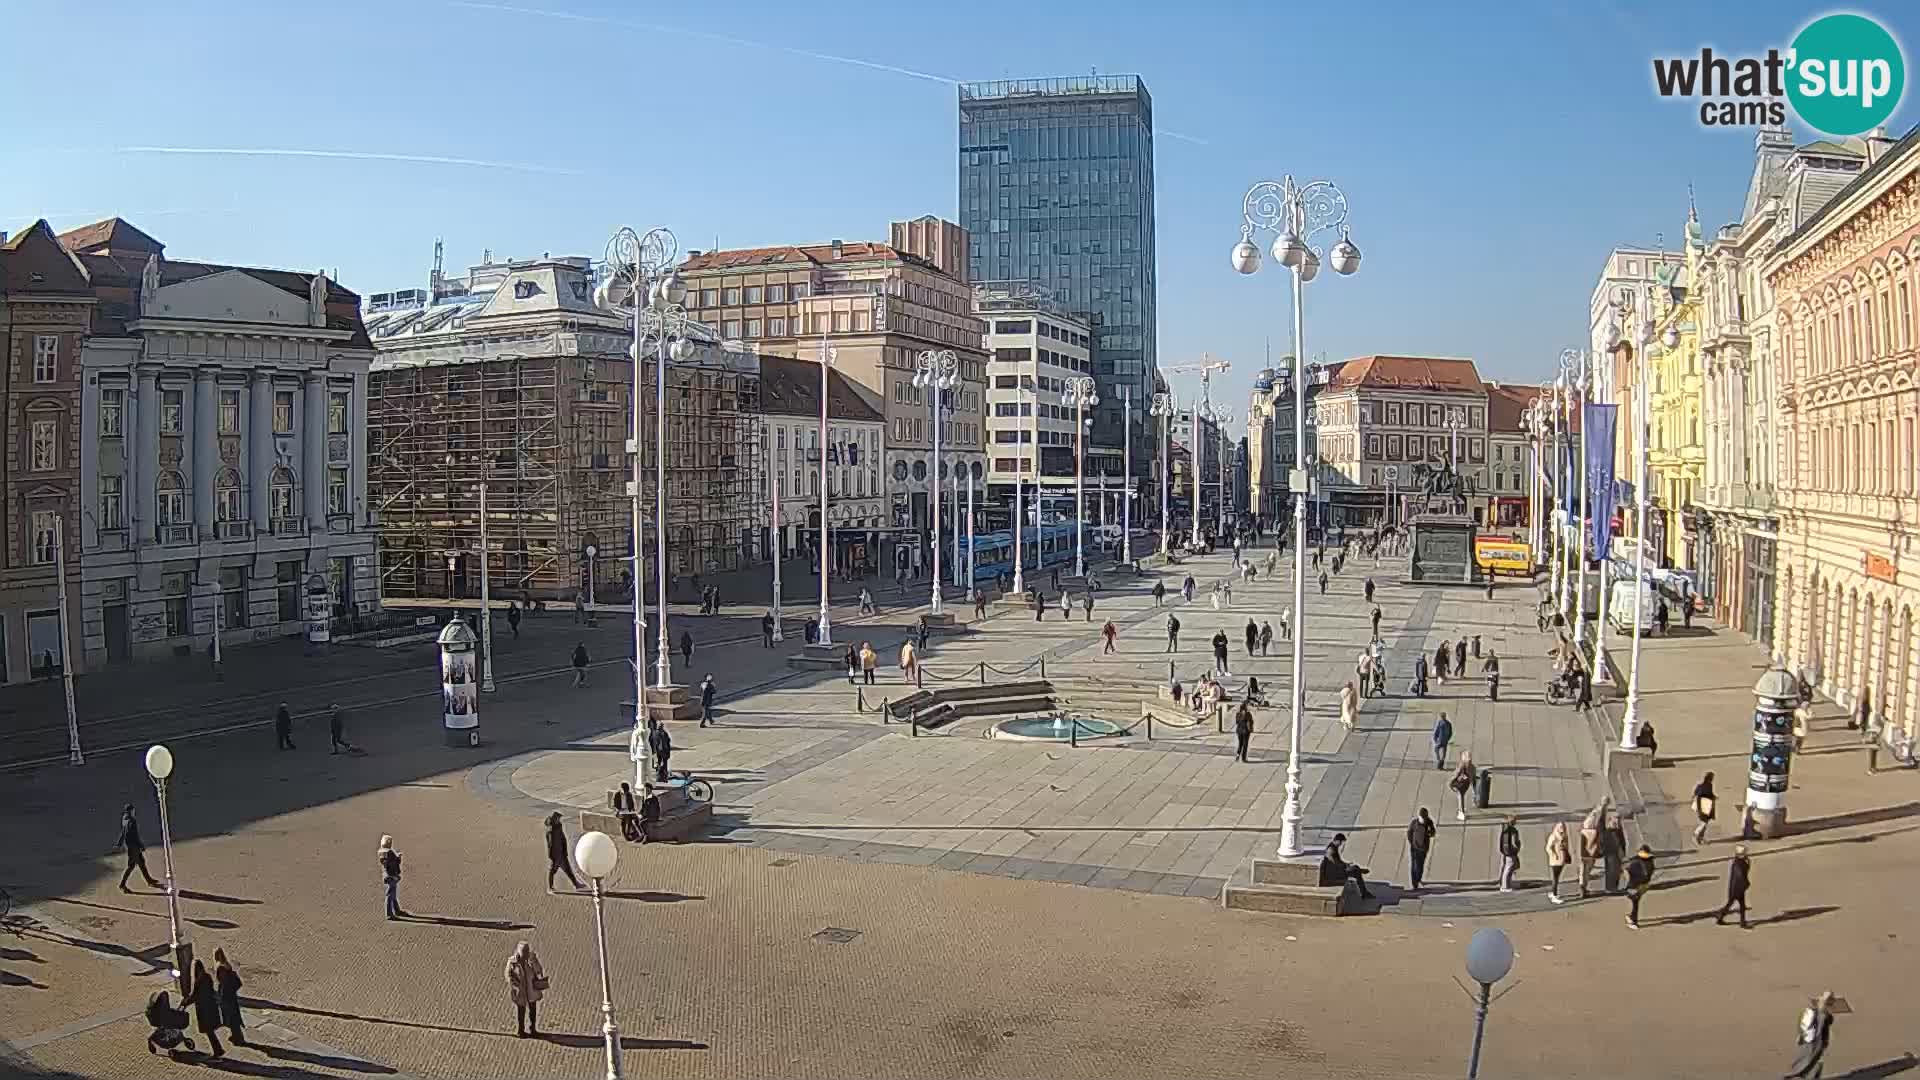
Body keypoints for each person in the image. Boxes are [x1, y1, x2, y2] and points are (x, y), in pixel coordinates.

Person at [1784, 992, 1837, 1080]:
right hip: (1813, 1048)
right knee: (1809, 1064)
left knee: (1814, 1065)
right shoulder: (1819, 1016)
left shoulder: (1821, 1016)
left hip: (1815, 1048)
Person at [506, 941, 548, 1038]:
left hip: (531, 989)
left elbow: (539, 970)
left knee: (533, 1010)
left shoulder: (531, 959)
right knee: (521, 1011)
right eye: (524, 952)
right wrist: (514, 983)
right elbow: (508, 974)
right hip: (520, 991)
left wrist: (533, 962)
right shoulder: (513, 962)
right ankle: (520, 1030)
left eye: (527, 952)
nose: (526, 954)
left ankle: (532, 1029)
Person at [116, 804, 163, 891]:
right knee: (131, 866)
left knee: (141, 862)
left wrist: (119, 843)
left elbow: (123, 832)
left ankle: (149, 880)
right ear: (131, 811)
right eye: (133, 810)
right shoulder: (132, 821)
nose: (134, 812)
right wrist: (141, 846)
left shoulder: (124, 819)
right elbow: (135, 836)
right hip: (134, 847)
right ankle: (122, 885)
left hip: (130, 847)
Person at [185, 959, 225, 1057]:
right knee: (210, 1032)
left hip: (204, 1011)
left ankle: (218, 1051)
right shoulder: (207, 977)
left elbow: (195, 995)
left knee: (209, 1032)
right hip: (211, 1008)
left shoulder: (198, 981)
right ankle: (218, 1050)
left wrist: (186, 1002)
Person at [1318, 833, 1374, 899]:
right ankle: (1364, 892)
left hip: (1337, 870)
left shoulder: (1334, 847)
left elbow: (1337, 861)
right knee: (1356, 871)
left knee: (1355, 868)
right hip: (1333, 874)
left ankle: (1364, 889)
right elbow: (1332, 861)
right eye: (1341, 842)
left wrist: (1346, 864)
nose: (1341, 844)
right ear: (1338, 841)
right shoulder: (1331, 849)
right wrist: (1345, 867)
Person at [211, 948, 246, 1047]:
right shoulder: (227, 965)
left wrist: (221, 997)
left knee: (231, 1017)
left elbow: (223, 983)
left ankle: (238, 1038)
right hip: (232, 995)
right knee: (234, 1016)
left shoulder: (220, 967)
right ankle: (237, 1036)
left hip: (227, 996)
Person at [1716, 844, 1751, 928]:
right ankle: (1741, 923)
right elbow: (1741, 875)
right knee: (1736, 905)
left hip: (1736, 887)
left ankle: (1721, 917)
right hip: (1737, 888)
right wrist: (1746, 883)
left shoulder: (1737, 862)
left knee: (1734, 904)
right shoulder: (1739, 864)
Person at [145, 989, 191, 1054]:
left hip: (160, 1018)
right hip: (165, 1019)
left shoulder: (155, 1012)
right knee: (174, 1020)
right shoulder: (163, 1013)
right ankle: (175, 1041)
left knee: (166, 1021)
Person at [1624, 843, 1655, 929]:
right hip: (1644, 886)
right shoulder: (1651, 862)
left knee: (1635, 903)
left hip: (1634, 886)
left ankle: (1633, 921)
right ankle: (1632, 917)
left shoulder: (1635, 863)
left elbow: (1628, 873)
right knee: (1636, 902)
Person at [1406, 808, 1436, 891]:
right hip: (1414, 848)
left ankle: (1418, 878)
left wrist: (1429, 833)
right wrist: (1412, 842)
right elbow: (1409, 833)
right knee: (1414, 865)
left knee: (1420, 866)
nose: (1423, 819)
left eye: (1424, 817)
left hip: (1423, 849)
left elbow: (1433, 832)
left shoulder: (1429, 822)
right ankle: (1414, 883)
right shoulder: (1414, 823)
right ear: (1419, 816)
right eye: (1422, 817)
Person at [379, 834, 405, 920]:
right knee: (390, 895)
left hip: (387, 876)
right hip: (392, 876)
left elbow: (388, 864)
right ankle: (389, 913)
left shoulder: (382, 853)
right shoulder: (389, 853)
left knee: (393, 895)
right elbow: (394, 863)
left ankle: (397, 910)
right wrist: (399, 857)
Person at [1602, 811, 1628, 894]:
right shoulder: (1609, 831)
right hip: (1611, 854)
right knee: (1612, 871)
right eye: (1616, 818)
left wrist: (1623, 852)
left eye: (1619, 818)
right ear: (1610, 820)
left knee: (1616, 871)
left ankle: (1614, 887)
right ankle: (1610, 888)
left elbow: (1622, 842)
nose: (1618, 820)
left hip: (1617, 854)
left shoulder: (1617, 829)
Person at [1545, 821, 1571, 904]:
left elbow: (1566, 847)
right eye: (1560, 827)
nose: (1562, 828)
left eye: (1563, 827)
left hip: (1561, 860)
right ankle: (1554, 895)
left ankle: (1553, 893)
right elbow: (1548, 848)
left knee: (1557, 878)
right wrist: (1554, 855)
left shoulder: (1564, 836)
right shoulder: (1553, 836)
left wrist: (1567, 854)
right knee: (1555, 878)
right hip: (1555, 861)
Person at [1497, 815, 1522, 892]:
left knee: (1505, 867)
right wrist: (1518, 847)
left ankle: (1503, 883)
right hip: (1511, 852)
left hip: (1505, 852)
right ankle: (1505, 886)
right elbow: (1515, 842)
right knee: (1509, 868)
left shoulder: (1504, 829)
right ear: (1513, 822)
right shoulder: (1513, 831)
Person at [1692, 771, 1717, 844]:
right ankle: (1696, 834)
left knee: (1705, 823)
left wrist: (1713, 797)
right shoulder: (1702, 786)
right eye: (1711, 778)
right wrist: (1699, 809)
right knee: (1704, 822)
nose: (1712, 779)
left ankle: (1700, 837)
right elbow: (1698, 797)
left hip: (1708, 806)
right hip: (1702, 806)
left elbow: (1710, 794)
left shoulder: (1710, 785)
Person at [1450, 752, 1476, 821]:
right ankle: (1461, 812)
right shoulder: (1473, 767)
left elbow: (1456, 775)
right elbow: (1473, 780)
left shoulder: (1462, 766)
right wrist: (1474, 793)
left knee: (1460, 797)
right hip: (1466, 784)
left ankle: (1461, 813)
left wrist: (1450, 783)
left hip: (1460, 784)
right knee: (1461, 796)